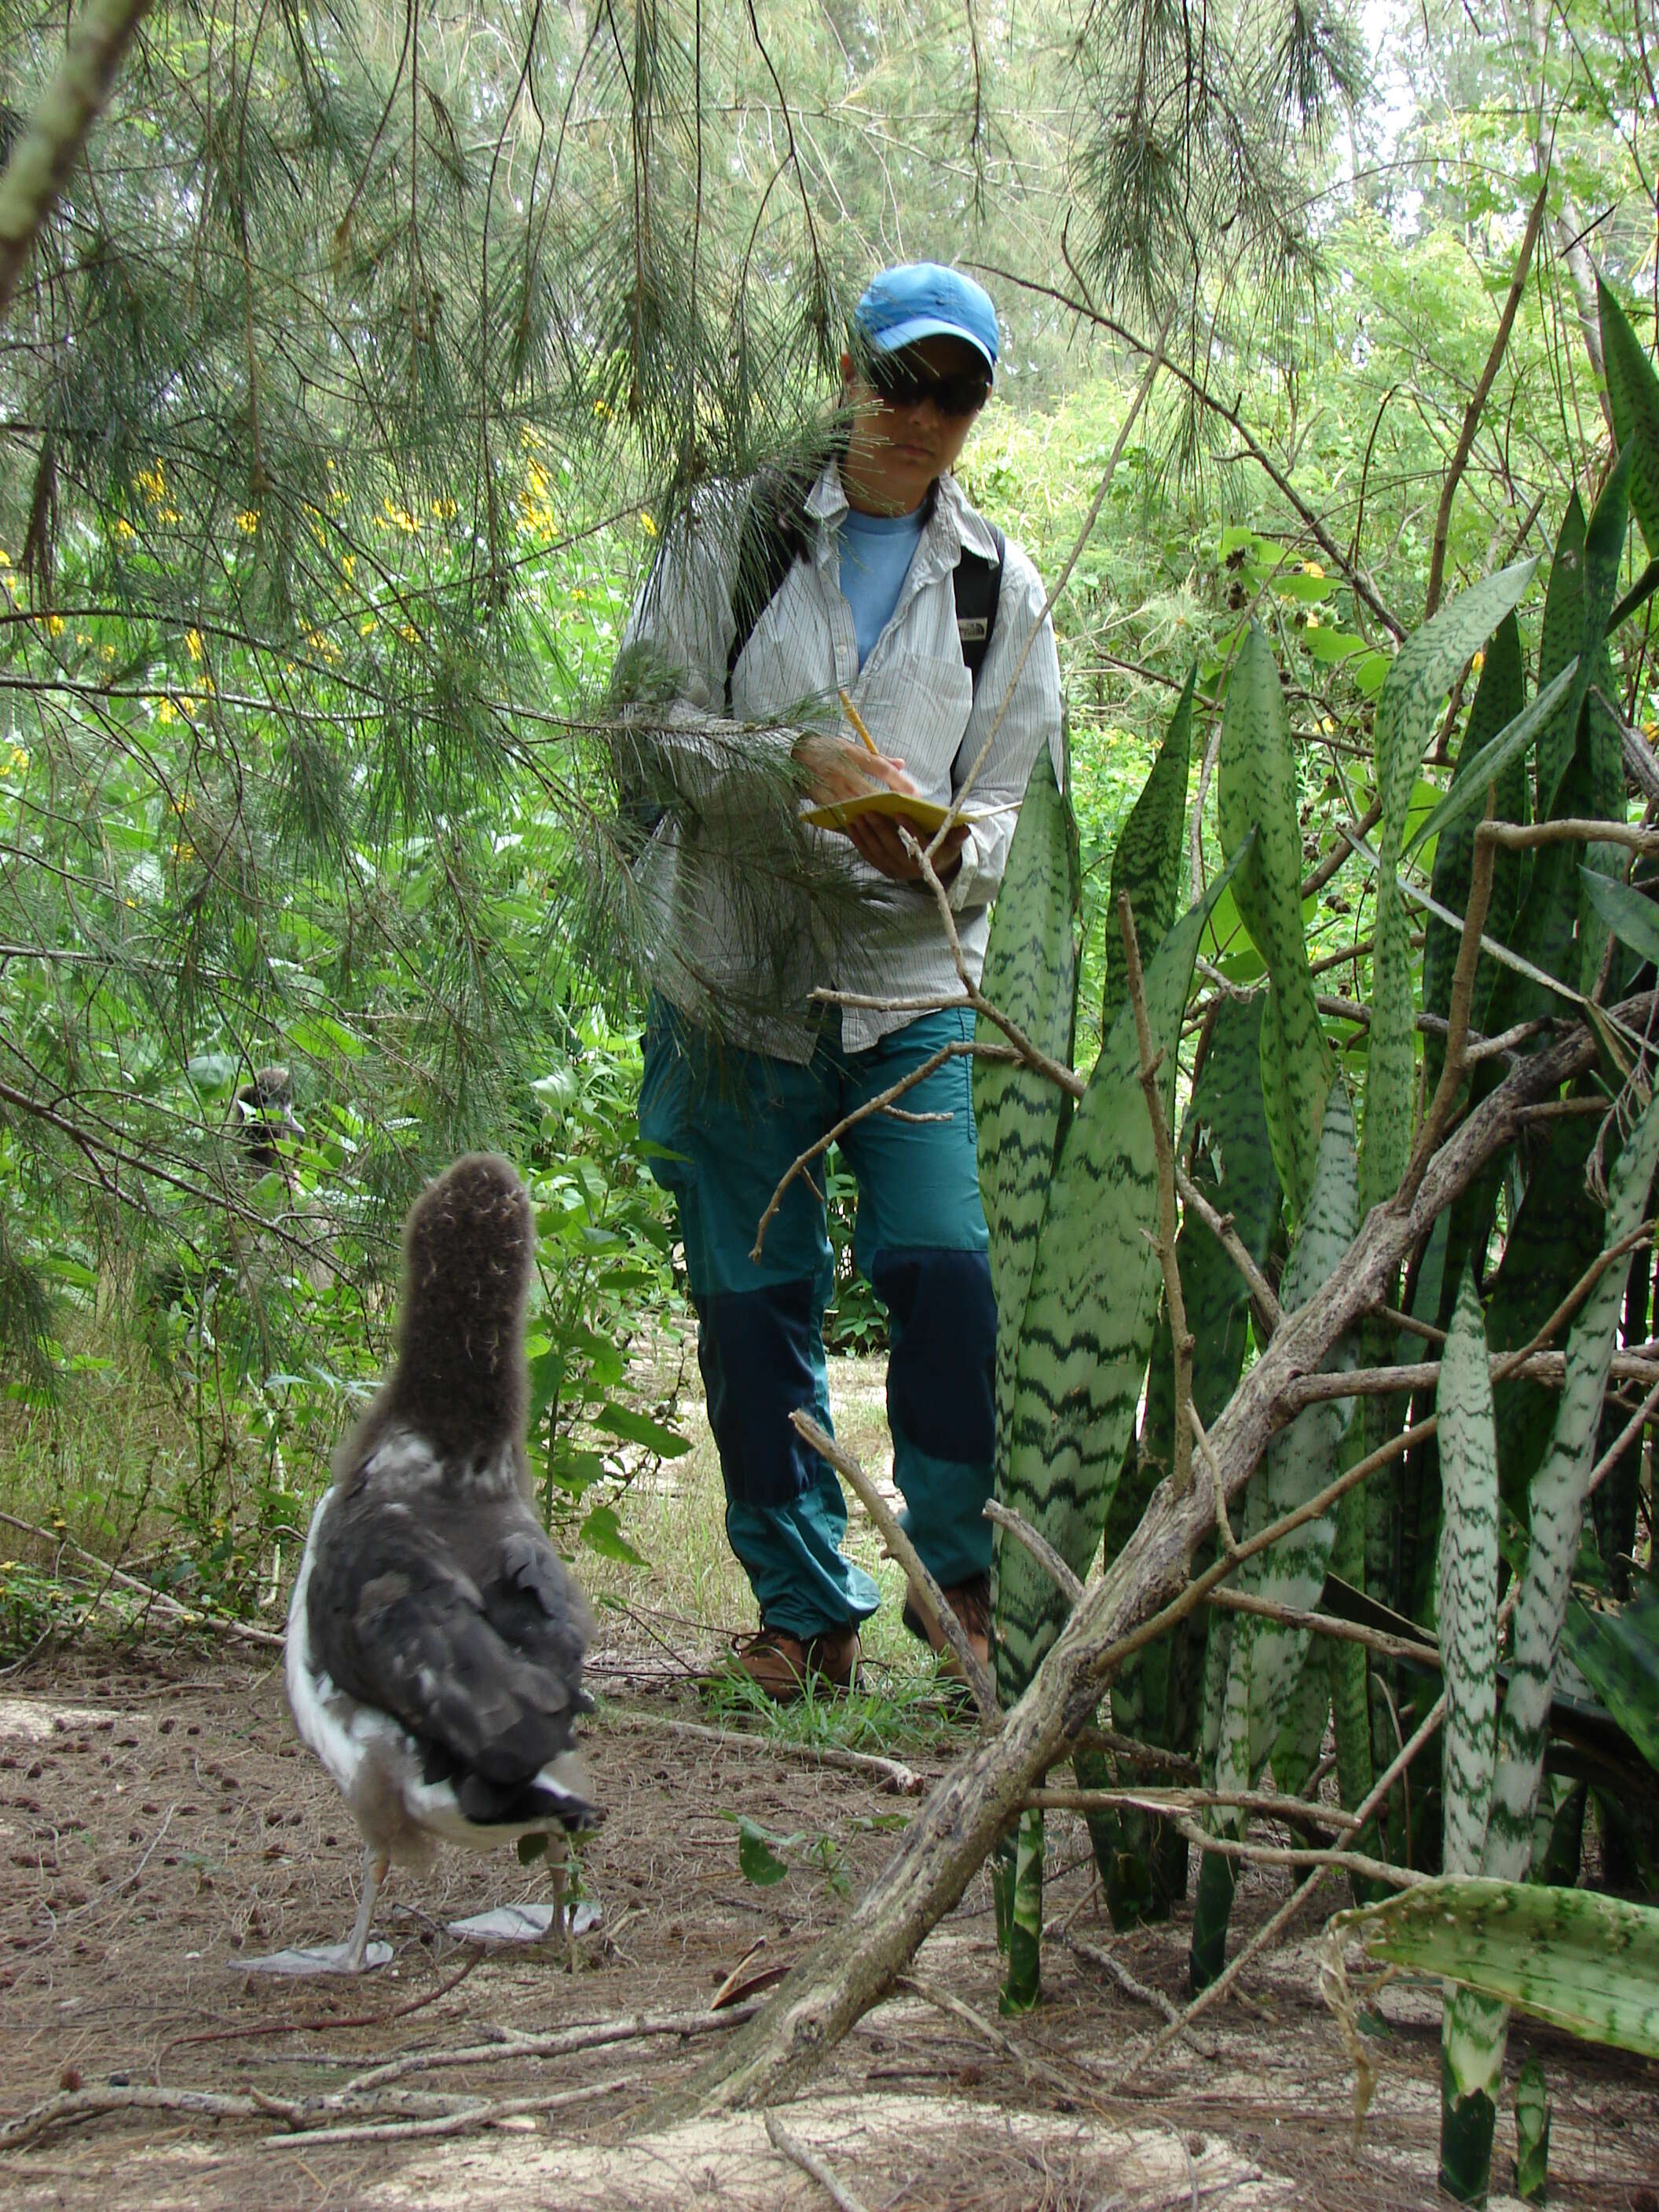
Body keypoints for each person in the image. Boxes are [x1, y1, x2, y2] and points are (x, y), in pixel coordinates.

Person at [621, 262, 1063, 1700]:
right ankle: (804, 1613)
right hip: (734, 980)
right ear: (845, 367)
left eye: (958, 396)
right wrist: (786, 765)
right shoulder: (726, 535)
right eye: (901, 379)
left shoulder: (999, 584)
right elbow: (637, 731)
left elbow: (1020, 809)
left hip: (913, 986)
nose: (922, 417)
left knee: (944, 1268)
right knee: (755, 1300)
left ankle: (963, 1591)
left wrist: (935, 851)